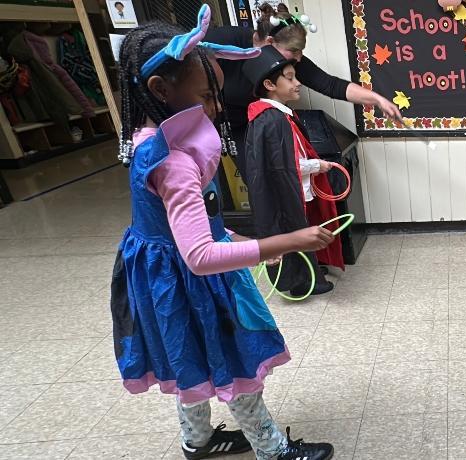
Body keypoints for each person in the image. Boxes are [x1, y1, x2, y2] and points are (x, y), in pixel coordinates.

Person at [109, 6, 335, 459]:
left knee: (187, 360)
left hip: (160, 276)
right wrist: (292, 240)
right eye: (207, 96)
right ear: (160, 89)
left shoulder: (147, 137)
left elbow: (184, 225)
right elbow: (198, 255)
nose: (216, 107)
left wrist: (232, 237)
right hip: (189, 282)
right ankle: (272, 450)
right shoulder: (174, 162)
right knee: (237, 364)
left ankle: (198, 441)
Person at [205, 3, 401, 176]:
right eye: (294, 52)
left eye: (301, 53)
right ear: (271, 42)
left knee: (263, 179)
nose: (298, 59)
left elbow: (332, 85)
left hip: (249, 124)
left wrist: (377, 99)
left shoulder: (289, 59)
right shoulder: (226, 41)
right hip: (208, 118)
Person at [241, 46, 344, 296]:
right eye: (289, 78)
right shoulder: (273, 120)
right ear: (269, 84)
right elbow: (287, 166)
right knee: (294, 232)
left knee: (300, 229)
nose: (298, 83)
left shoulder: (272, 116)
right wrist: (319, 166)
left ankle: (310, 274)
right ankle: (304, 282)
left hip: (293, 190)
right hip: (288, 195)